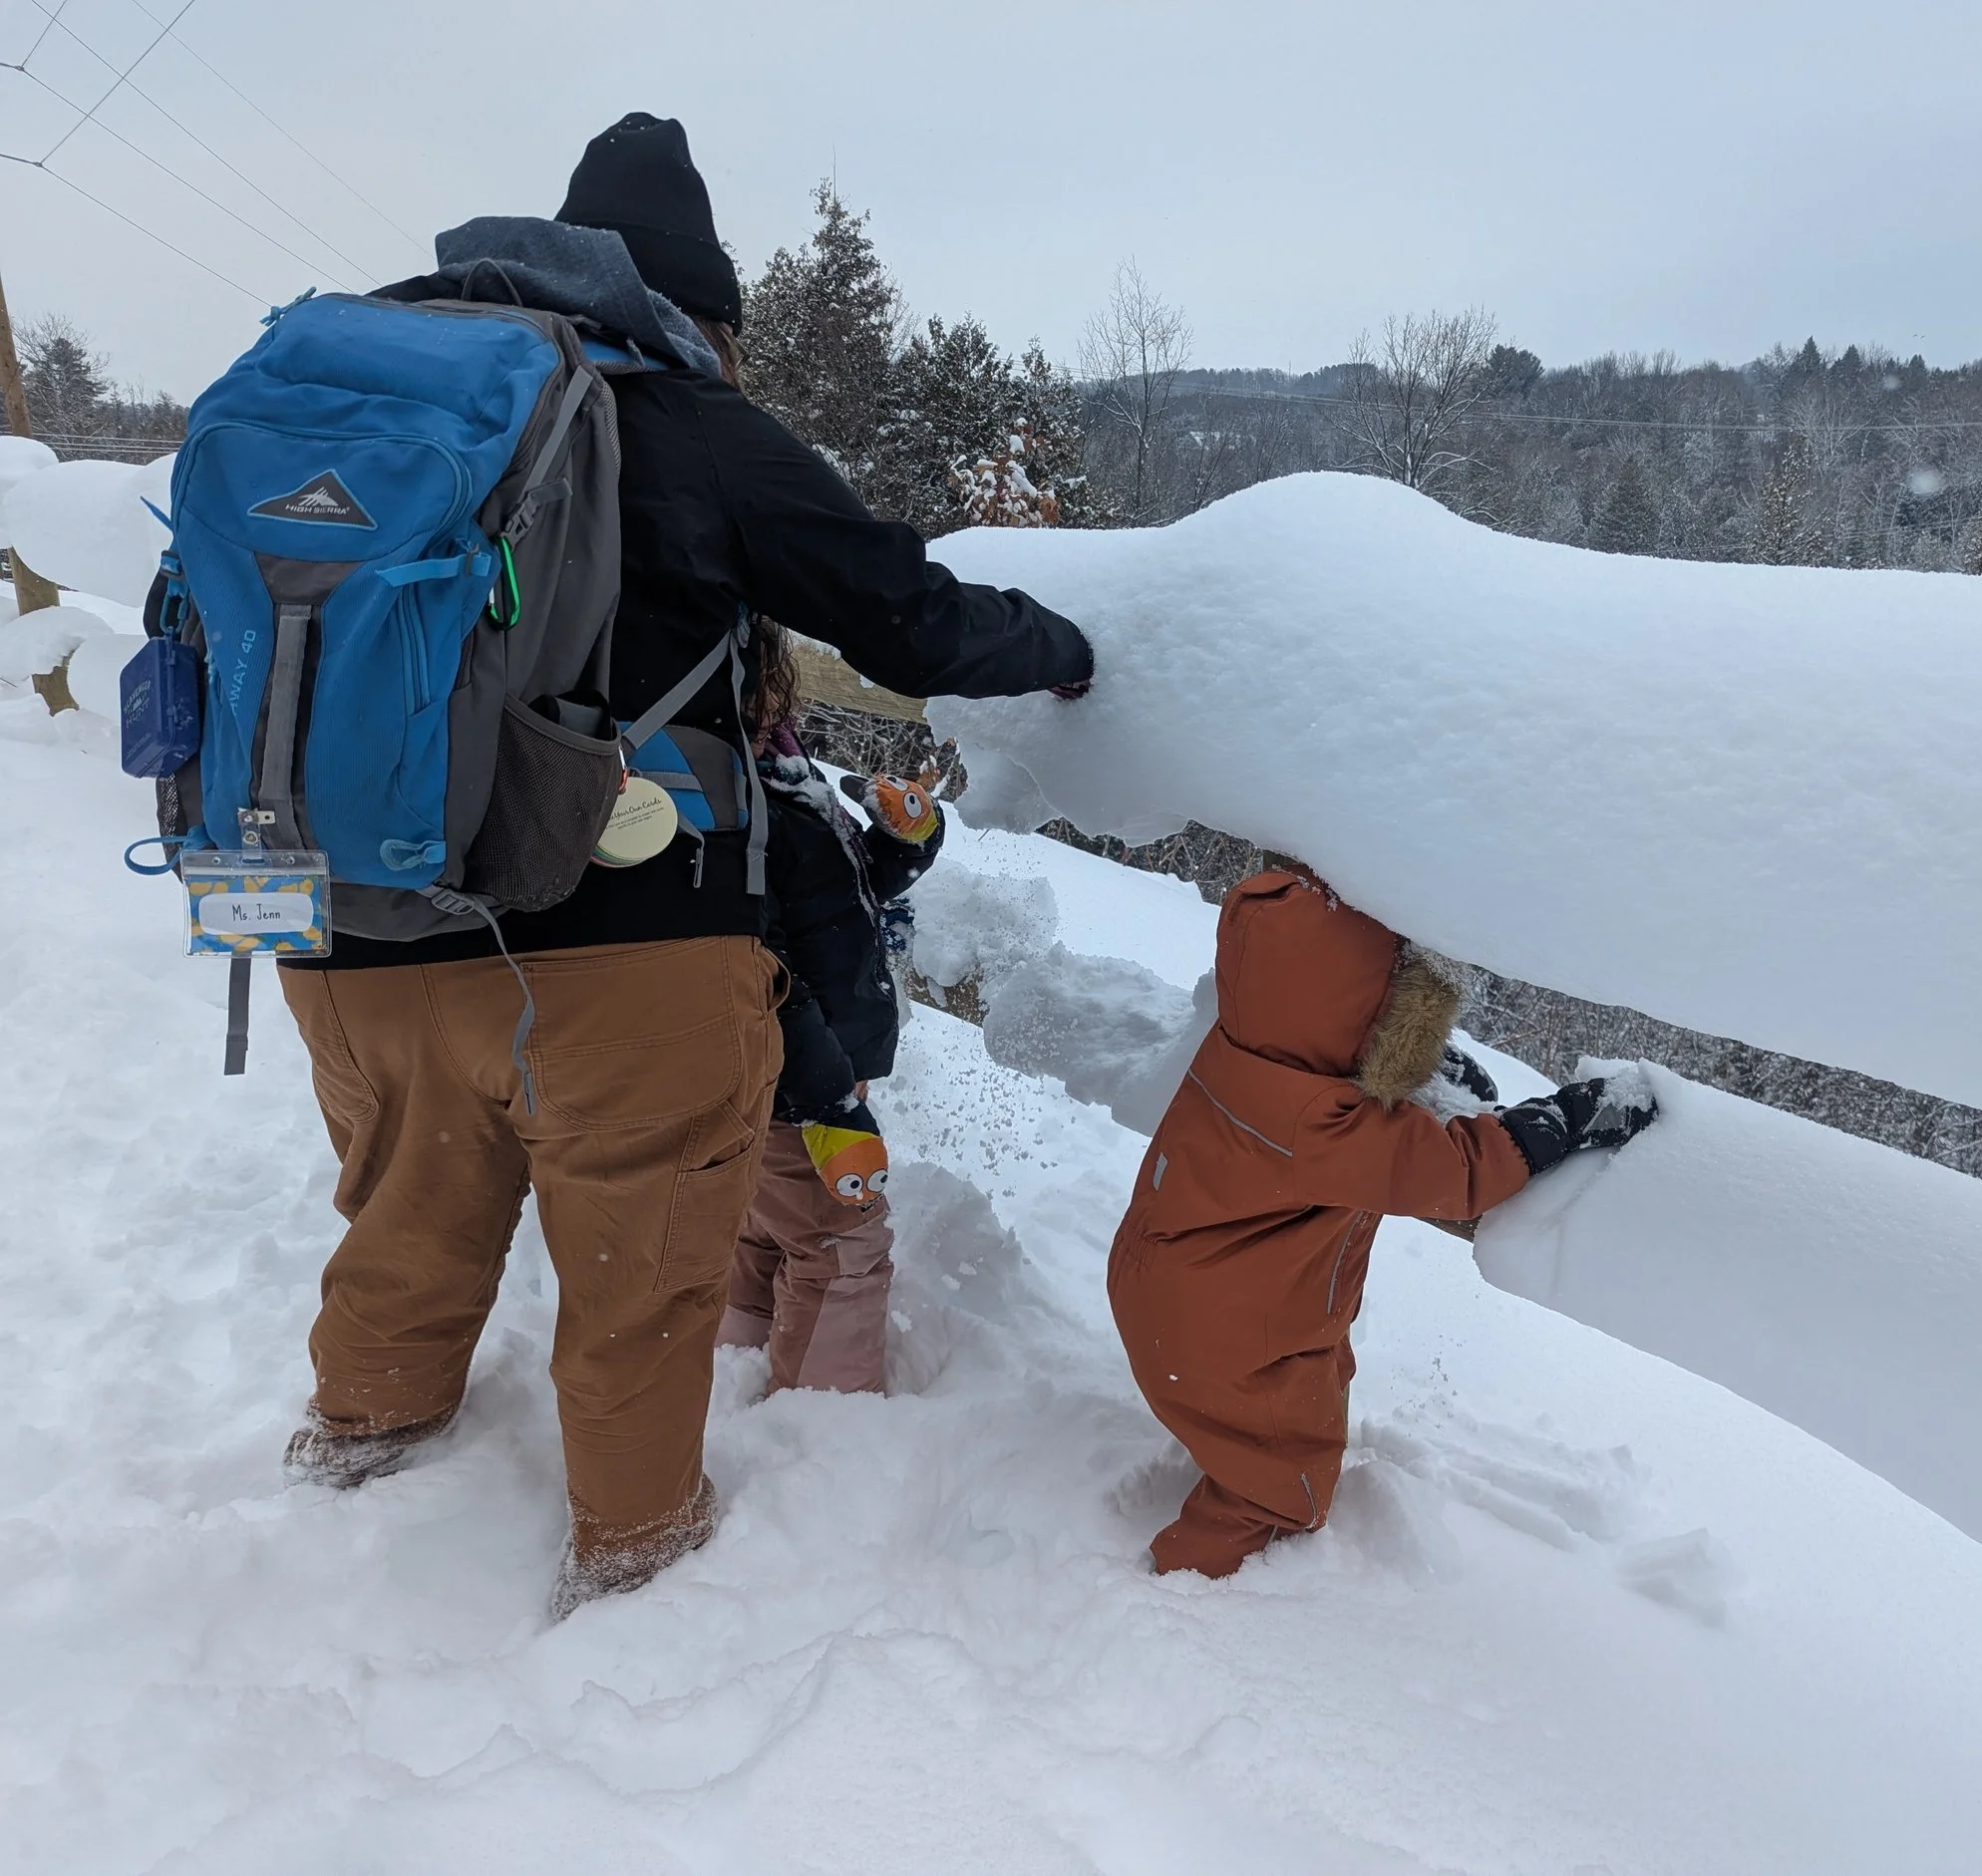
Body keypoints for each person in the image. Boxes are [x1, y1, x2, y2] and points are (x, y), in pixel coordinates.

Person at [274, 113, 1094, 1618]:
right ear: (695, 312)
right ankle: (635, 1585)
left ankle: (342, 1495)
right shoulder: (679, 415)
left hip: (349, 927)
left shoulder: (348, 402)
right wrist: (1067, 647)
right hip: (618, 952)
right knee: (640, 1279)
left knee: (405, 1218)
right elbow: (902, 615)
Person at [1108, 862, 1657, 1578]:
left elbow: (1343, 1094)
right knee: (1283, 1477)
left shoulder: (1244, 1053)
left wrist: (1424, 1074)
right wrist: (1564, 1118)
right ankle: (1180, 1591)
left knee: (1304, 1376)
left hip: (1180, 1292)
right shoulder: (1320, 1127)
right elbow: (1458, 1172)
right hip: (1219, 1334)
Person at [720, 684, 945, 1396]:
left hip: (806, 1068)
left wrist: (907, 838)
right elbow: (763, 970)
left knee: (763, 1222)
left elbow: (847, 891)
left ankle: (732, 1361)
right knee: (842, 1240)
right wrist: (827, 1102)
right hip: (799, 1075)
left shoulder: (784, 771)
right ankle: (826, 1420)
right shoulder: (733, 793)